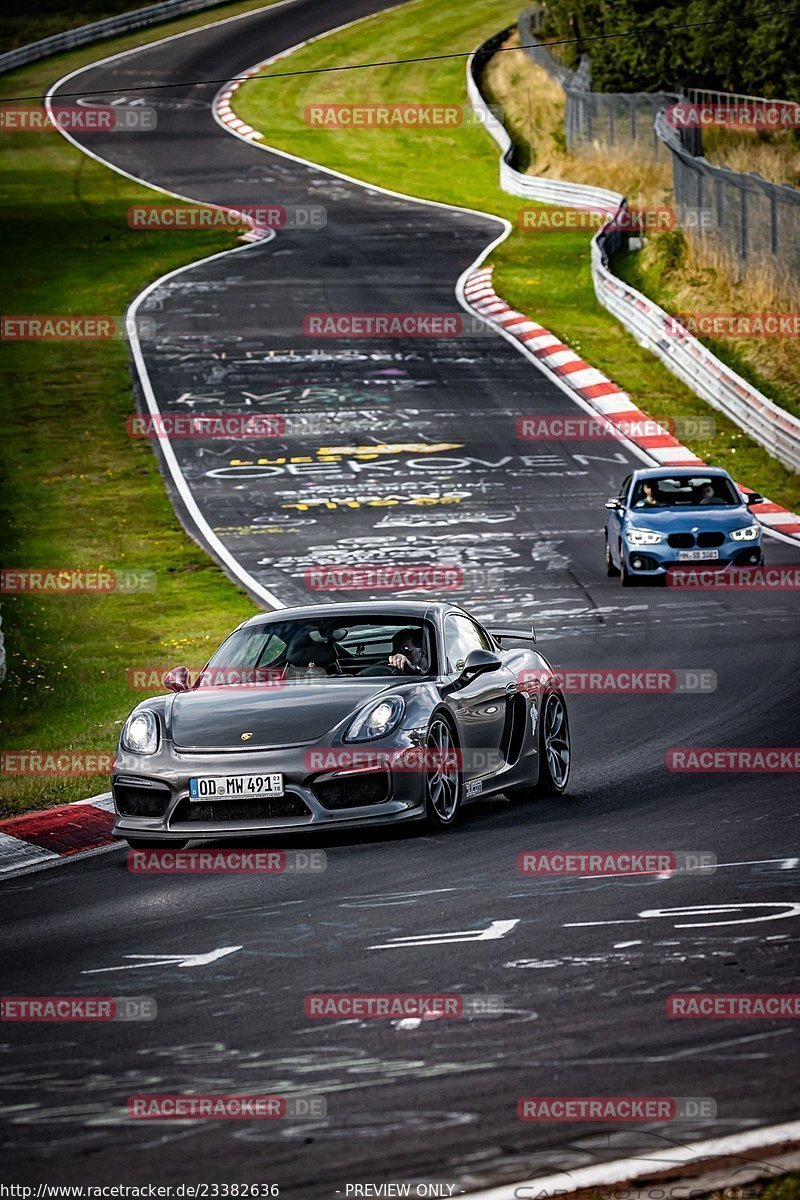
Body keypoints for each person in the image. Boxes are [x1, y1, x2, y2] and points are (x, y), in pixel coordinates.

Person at [359, 628, 429, 676]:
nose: (399, 654)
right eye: (395, 650)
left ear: (422, 653)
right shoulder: (388, 666)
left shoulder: (437, 666)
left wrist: (412, 668)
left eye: (405, 650)